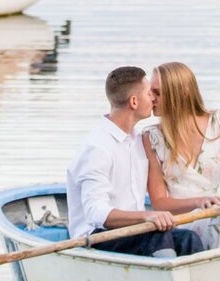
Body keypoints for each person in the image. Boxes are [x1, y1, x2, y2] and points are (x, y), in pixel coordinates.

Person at [66, 65, 211, 258]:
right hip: (96, 238)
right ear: (134, 101)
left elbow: (172, 157)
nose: (153, 97)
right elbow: (95, 213)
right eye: (149, 92)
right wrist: (147, 216)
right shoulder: (98, 148)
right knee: (156, 237)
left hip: (137, 232)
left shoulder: (139, 140)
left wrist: (212, 154)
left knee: (189, 238)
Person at [143, 61, 220, 249]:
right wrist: (198, 202)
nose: (151, 98)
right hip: (183, 221)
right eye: (150, 92)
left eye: (158, 93)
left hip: (214, 212)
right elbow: (160, 203)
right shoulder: (151, 137)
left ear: (182, 93)